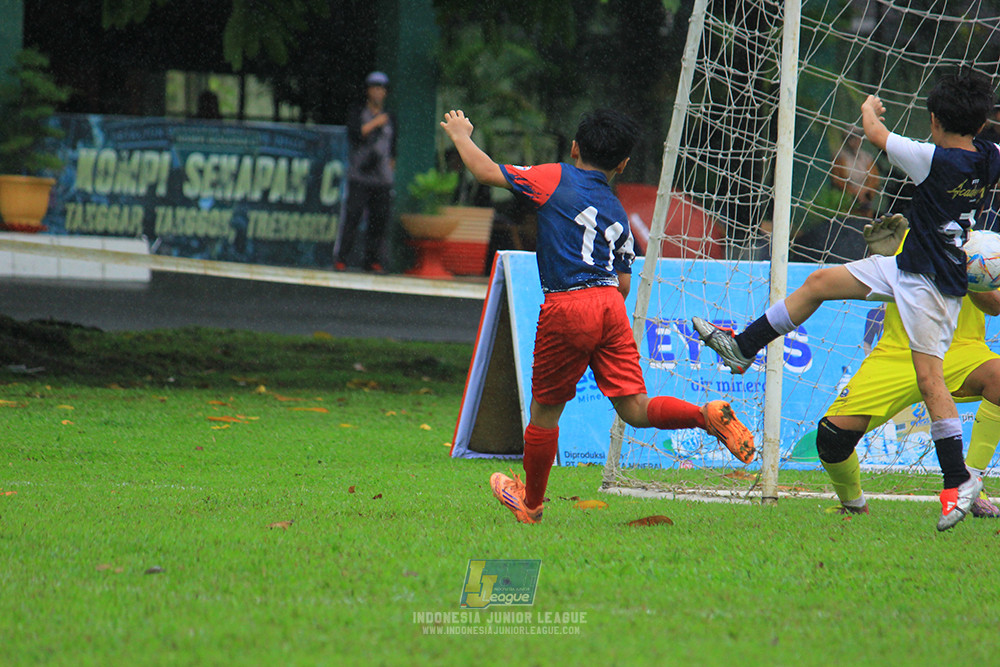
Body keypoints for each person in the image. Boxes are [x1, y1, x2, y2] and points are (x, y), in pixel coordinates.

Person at [693, 70, 1000, 531]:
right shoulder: (989, 158)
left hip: (928, 286)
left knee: (929, 380)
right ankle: (744, 347)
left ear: (934, 119)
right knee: (819, 282)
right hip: (904, 268)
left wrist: (868, 109)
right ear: (980, 125)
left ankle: (957, 482)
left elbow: (875, 135)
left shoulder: (929, 158)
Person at [441, 107, 756, 525]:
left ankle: (530, 505)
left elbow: (484, 171)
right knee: (634, 408)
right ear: (622, 165)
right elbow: (624, 285)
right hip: (609, 304)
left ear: (574, 148)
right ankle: (703, 415)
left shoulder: (554, 176)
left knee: (545, 413)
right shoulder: (617, 212)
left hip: (568, 304)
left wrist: (461, 135)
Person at [819, 216, 1000, 519]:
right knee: (831, 438)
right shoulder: (911, 234)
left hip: (960, 350)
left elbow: (994, 305)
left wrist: (961, 268)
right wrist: (886, 258)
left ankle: (971, 482)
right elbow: (877, 281)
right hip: (898, 353)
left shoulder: (983, 245)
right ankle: (854, 506)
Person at [334, 71, 396, 273]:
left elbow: (394, 147)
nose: (378, 92)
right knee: (352, 217)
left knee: (379, 221)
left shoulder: (391, 118)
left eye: (382, 89)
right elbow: (354, 134)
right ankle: (341, 258)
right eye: (374, 88)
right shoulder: (358, 113)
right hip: (360, 176)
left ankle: (373, 261)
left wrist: (390, 169)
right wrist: (375, 123)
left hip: (382, 179)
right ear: (368, 90)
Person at [831, 129, 881, 218]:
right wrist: (854, 192)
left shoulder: (867, 157)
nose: (856, 141)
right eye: (852, 138)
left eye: (858, 138)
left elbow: (875, 180)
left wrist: (864, 191)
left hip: (865, 199)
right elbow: (837, 180)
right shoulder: (839, 157)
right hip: (848, 200)